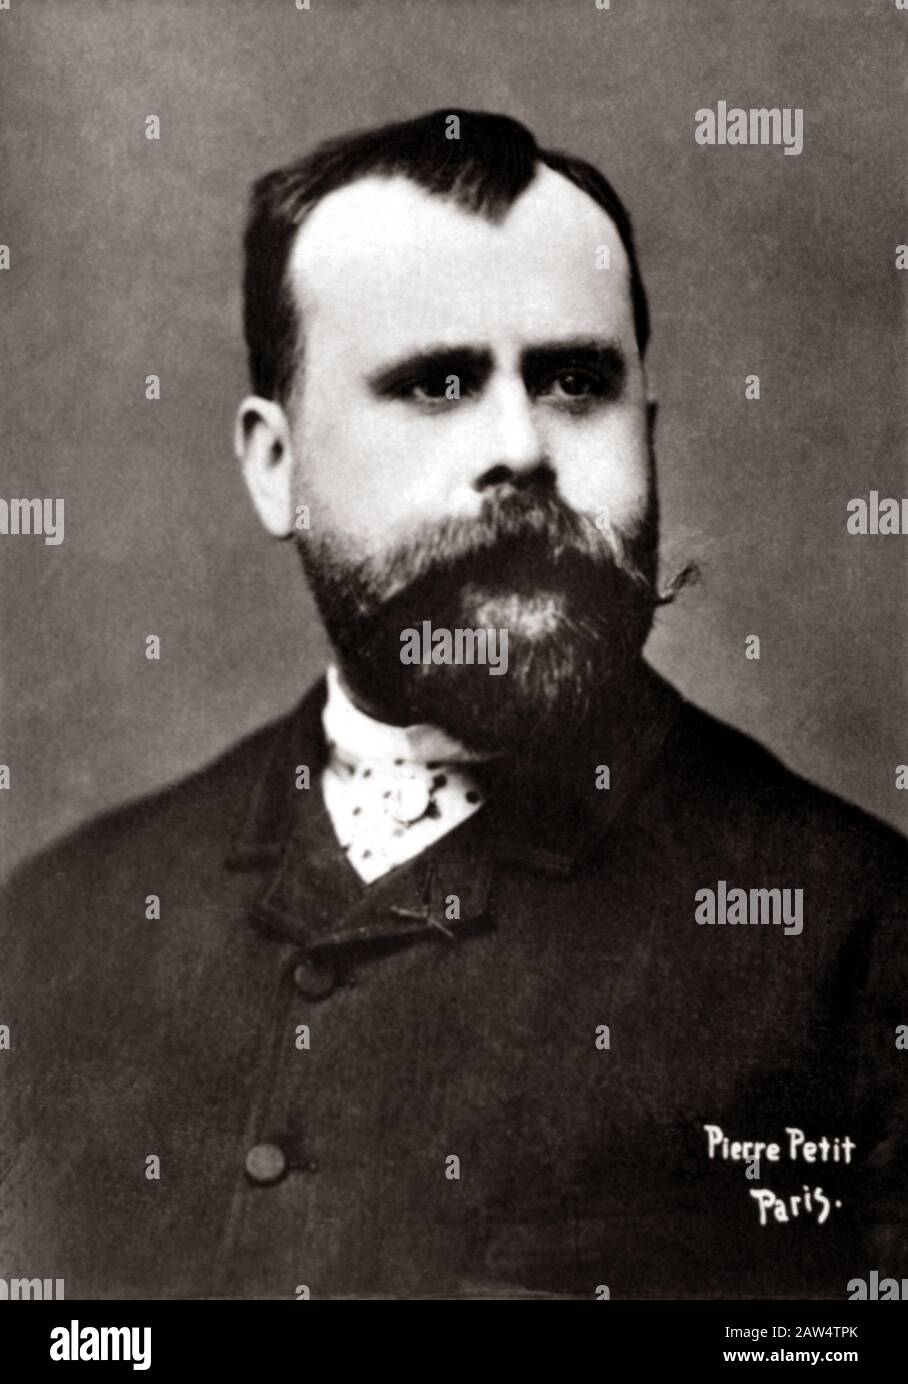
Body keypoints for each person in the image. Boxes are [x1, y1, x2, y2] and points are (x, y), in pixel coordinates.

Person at [2, 109, 905, 1301]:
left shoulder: (859, 945)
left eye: (575, 381)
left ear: (644, 432)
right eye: (435, 383)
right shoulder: (54, 932)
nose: (520, 448)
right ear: (276, 466)